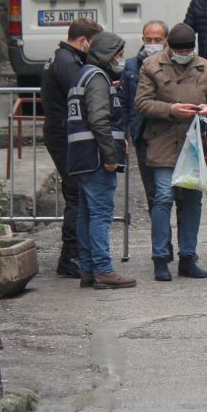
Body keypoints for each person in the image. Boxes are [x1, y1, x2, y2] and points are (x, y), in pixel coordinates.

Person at [135, 22, 207, 282]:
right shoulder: (151, 66)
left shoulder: (205, 67)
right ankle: (160, 258)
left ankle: (188, 257)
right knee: (163, 197)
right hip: (163, 142)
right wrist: (170, 110)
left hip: (194, 145)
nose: (183, 53)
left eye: (188, 50)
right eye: (179, 49)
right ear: (169, 47)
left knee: (192, 201)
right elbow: (141, 103)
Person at [65, 31, 135, 289]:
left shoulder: (82, 75)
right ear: (107, 54)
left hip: (82, 157)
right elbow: (98, 119)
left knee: (86, 214)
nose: (121, 59)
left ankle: (89, 269)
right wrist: (110, 156)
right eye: (118, 54)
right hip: (96, 158)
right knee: (100, 215)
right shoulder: (97, 78)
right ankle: (103, 270)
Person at [40, 17, 102, 278]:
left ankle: (75, 253)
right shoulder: (67, 62)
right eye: (93, 44)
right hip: (64, 134)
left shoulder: (62, 58)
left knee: (74, 192)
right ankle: (71, 256)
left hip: (61, 132)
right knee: (76, 193)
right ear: (83, 40)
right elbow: (80, 93)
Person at [120, 20, 174, 213]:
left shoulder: (175, 64)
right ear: (143, 39)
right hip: (143, 135)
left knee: (175, 193)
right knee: (153, 193)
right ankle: (161, 240)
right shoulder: (131, 66)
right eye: (149, 39)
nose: (152, 43)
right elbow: (125, 102)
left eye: (157, 39)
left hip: (170, 134)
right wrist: (126, 132)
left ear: (166, 41)